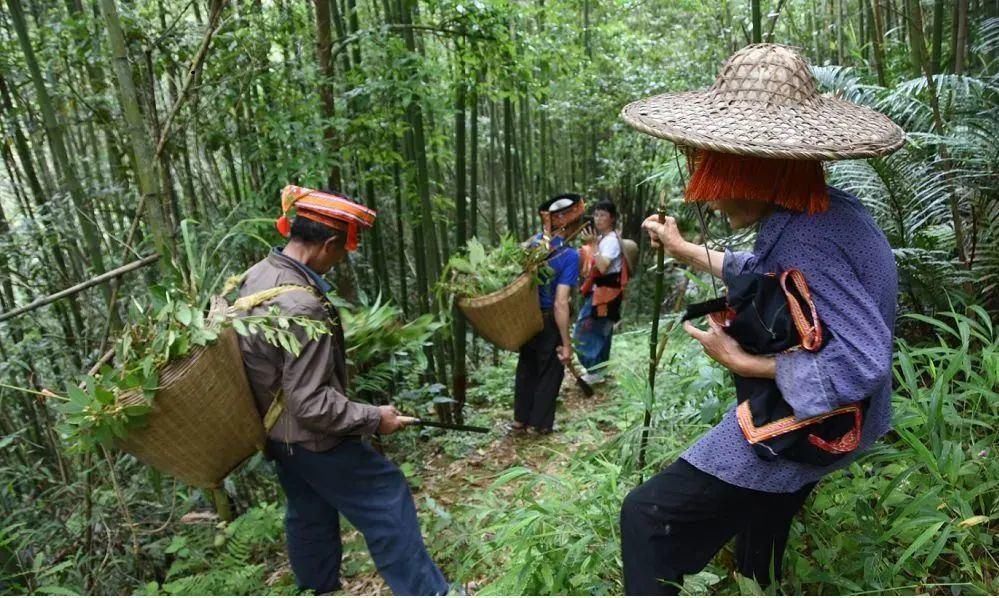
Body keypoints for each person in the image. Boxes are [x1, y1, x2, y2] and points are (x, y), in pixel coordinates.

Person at [618, 44, 904, 593]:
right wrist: (685, 249)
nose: (708, 190)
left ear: (754, 167)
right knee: (761, 521)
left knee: (649, 517)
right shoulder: (818, 210)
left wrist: (745, 360)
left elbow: (863, 363)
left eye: (715, 165)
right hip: (837, 414)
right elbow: (769, 273)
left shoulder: (809, 236)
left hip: (819, 422)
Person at [237, 185, 449, 595]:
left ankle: (318, 589)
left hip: (277, 434)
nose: (341, 260)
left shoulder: (258, 275)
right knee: (386, 497)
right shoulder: (301, 305)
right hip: (312, 438)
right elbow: (311, 403)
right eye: (342, 251)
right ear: (329, 244)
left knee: (309, 511)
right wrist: (375, 418)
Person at [512, 194, 583, 434]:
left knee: (527, 367)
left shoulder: (530, 245)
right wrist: (566, 343)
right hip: (548, 320)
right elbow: (560, 303)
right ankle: (539, 425)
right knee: (550, 371)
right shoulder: (569, 255)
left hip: (525, 318)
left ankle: (520, 421)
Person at [574, 199, 628, 385]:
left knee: (582, 332)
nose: (598, 219)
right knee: (602, 332)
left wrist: (594, 246)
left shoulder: (611, 241)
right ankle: (598, 371)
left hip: (605, 296)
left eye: (603, 215)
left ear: (612, 218)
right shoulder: (603, 239)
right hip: (604, 294)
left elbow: (603, 267)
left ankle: (593, 369)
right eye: (596, 215)